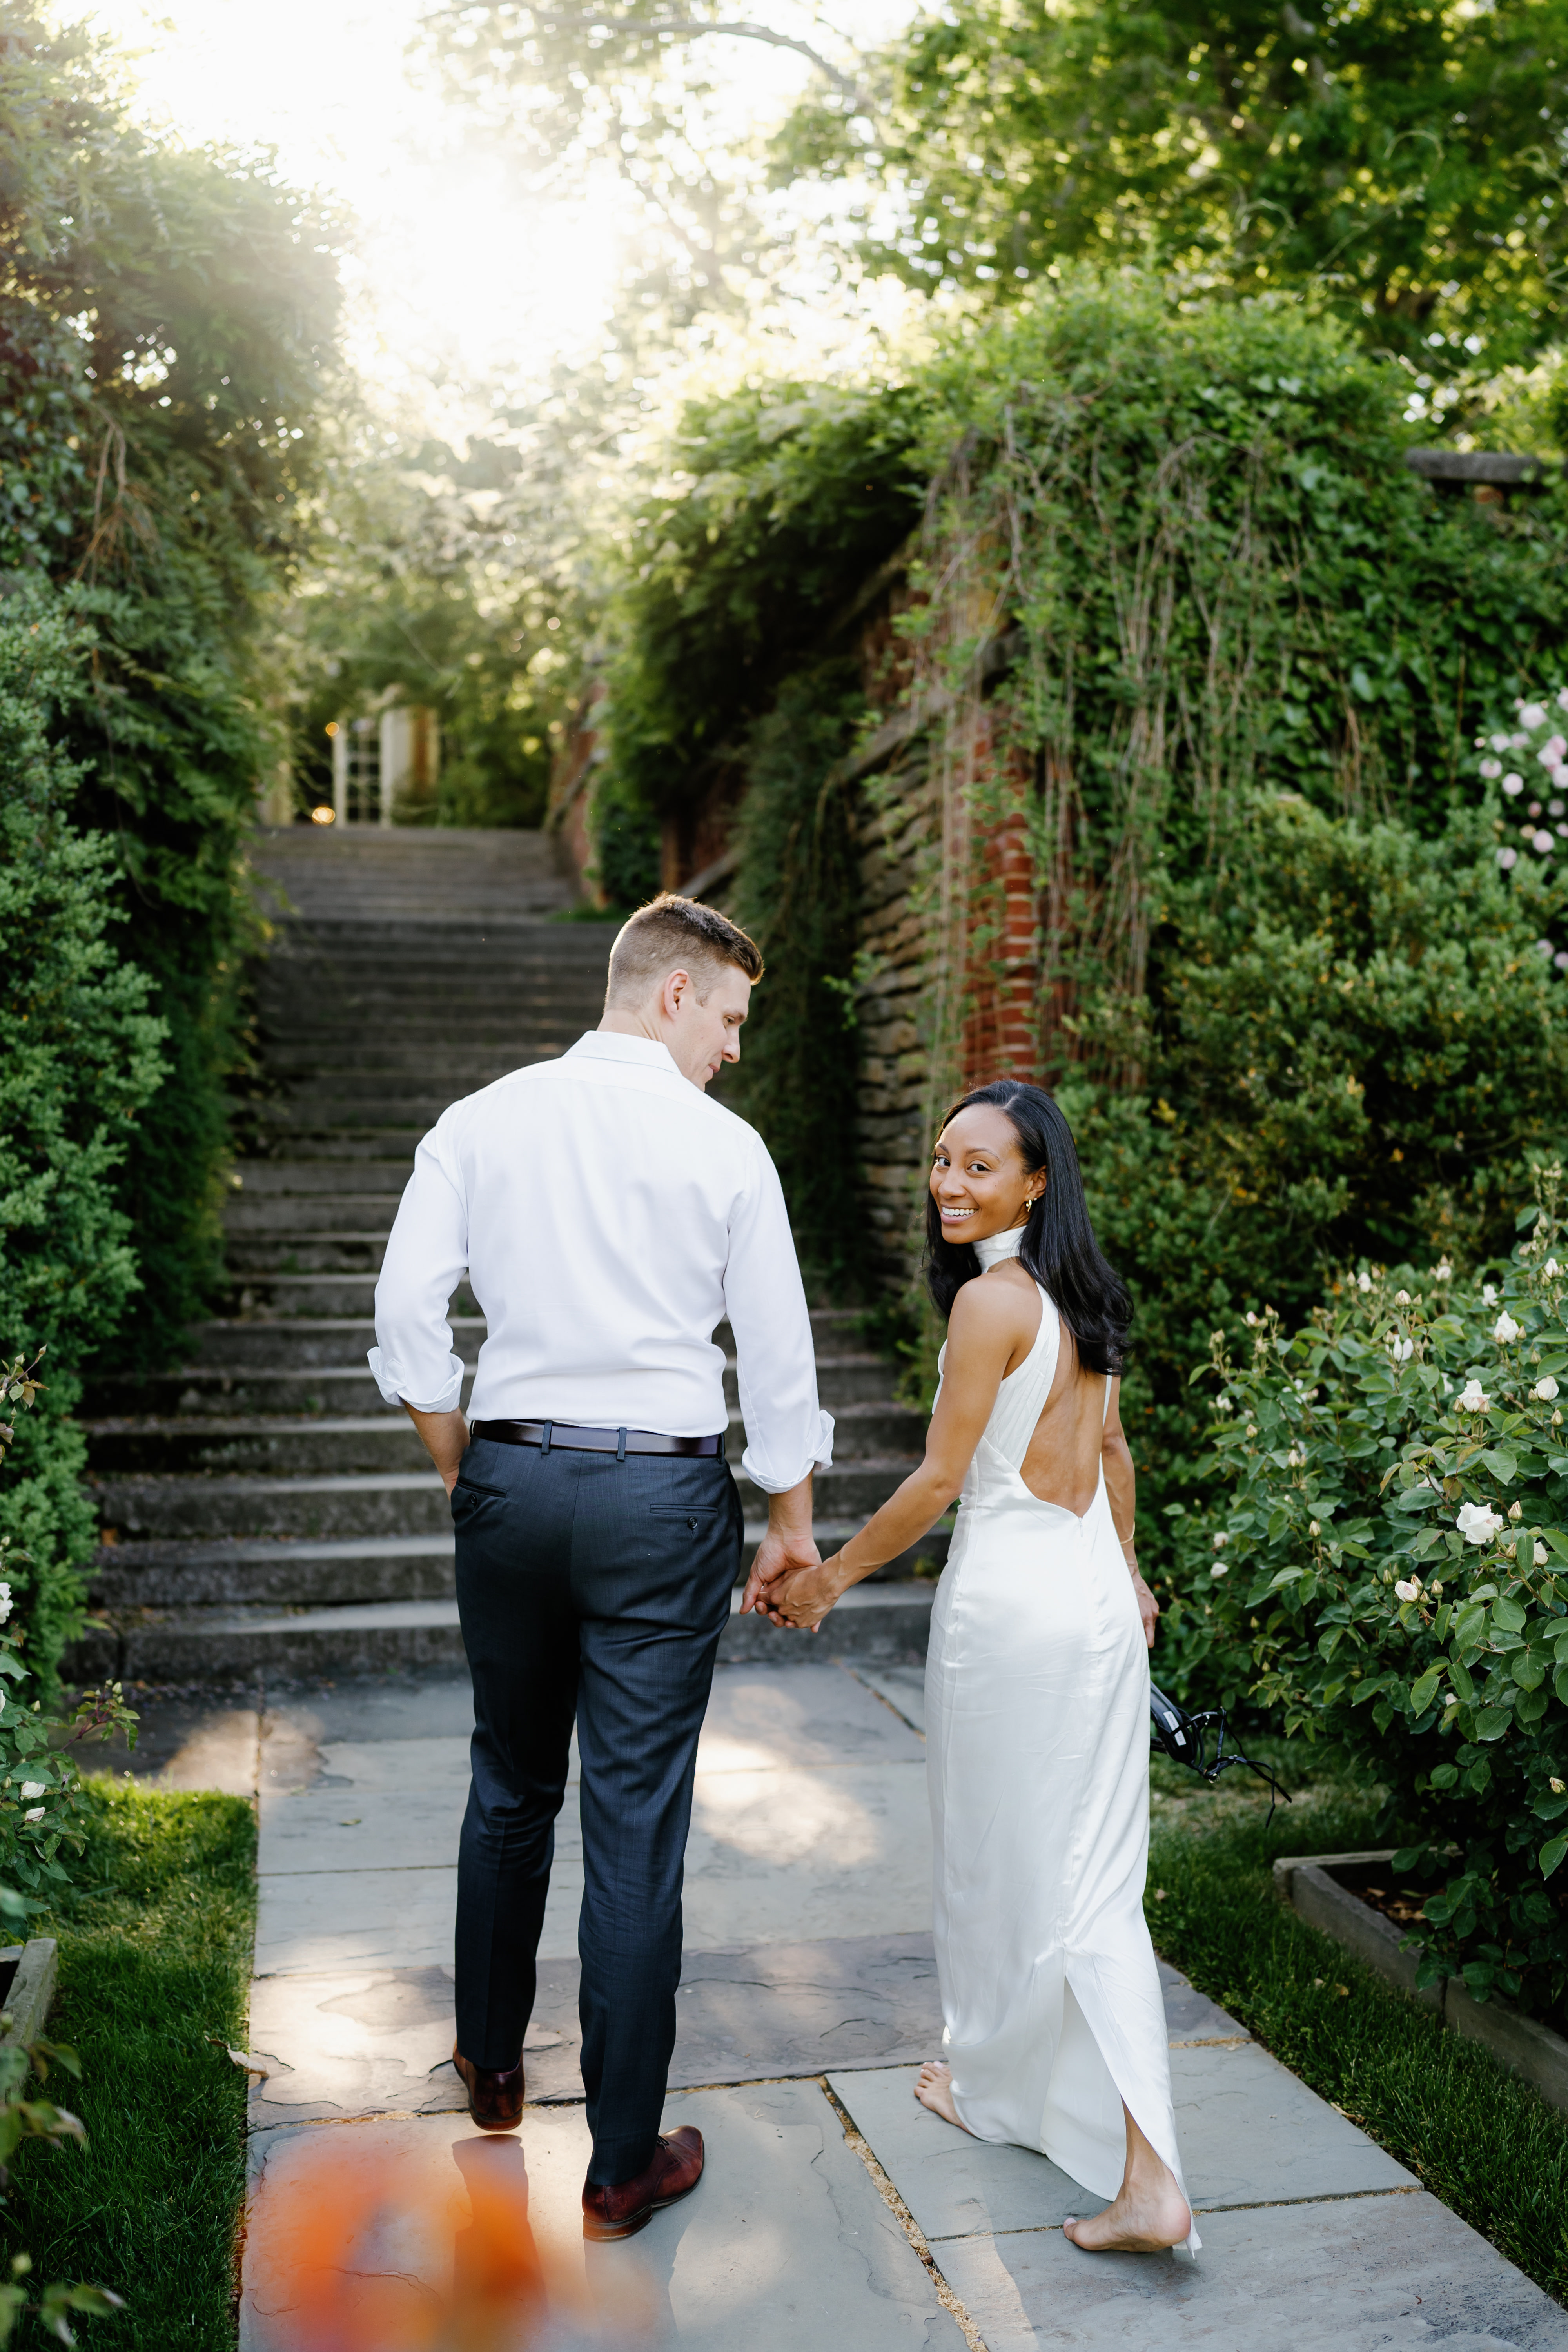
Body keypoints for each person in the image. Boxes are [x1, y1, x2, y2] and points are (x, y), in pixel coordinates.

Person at [369, 894, 831, 2241]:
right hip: (662, 1494)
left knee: (510, 1778)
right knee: (634, 1820)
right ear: (675, 993)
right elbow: (779, 1355)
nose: (736, 1049)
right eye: (732, 1017)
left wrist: (462, 1455)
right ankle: (623, 2166)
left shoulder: (481, 1121)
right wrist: (789, 1517)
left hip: (513, 1474)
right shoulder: (727, 1149)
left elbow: (408, 1312)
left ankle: (495, 2072)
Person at [760, 1078, 1198, 2258]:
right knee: (1087, 1870)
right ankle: (1005, 2091)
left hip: (1012, 1614)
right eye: (943, 1161)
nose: (951, 1184)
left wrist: (833, 1576)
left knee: (1013, 1868)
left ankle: (1147, 2176)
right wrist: (1134, 1576)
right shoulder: (1082, 1295)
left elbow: (940, 1482)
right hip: (1094, 1603)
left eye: (980, 1166)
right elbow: (1111, 1447)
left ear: (1035, 1180)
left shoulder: (993, 1306)